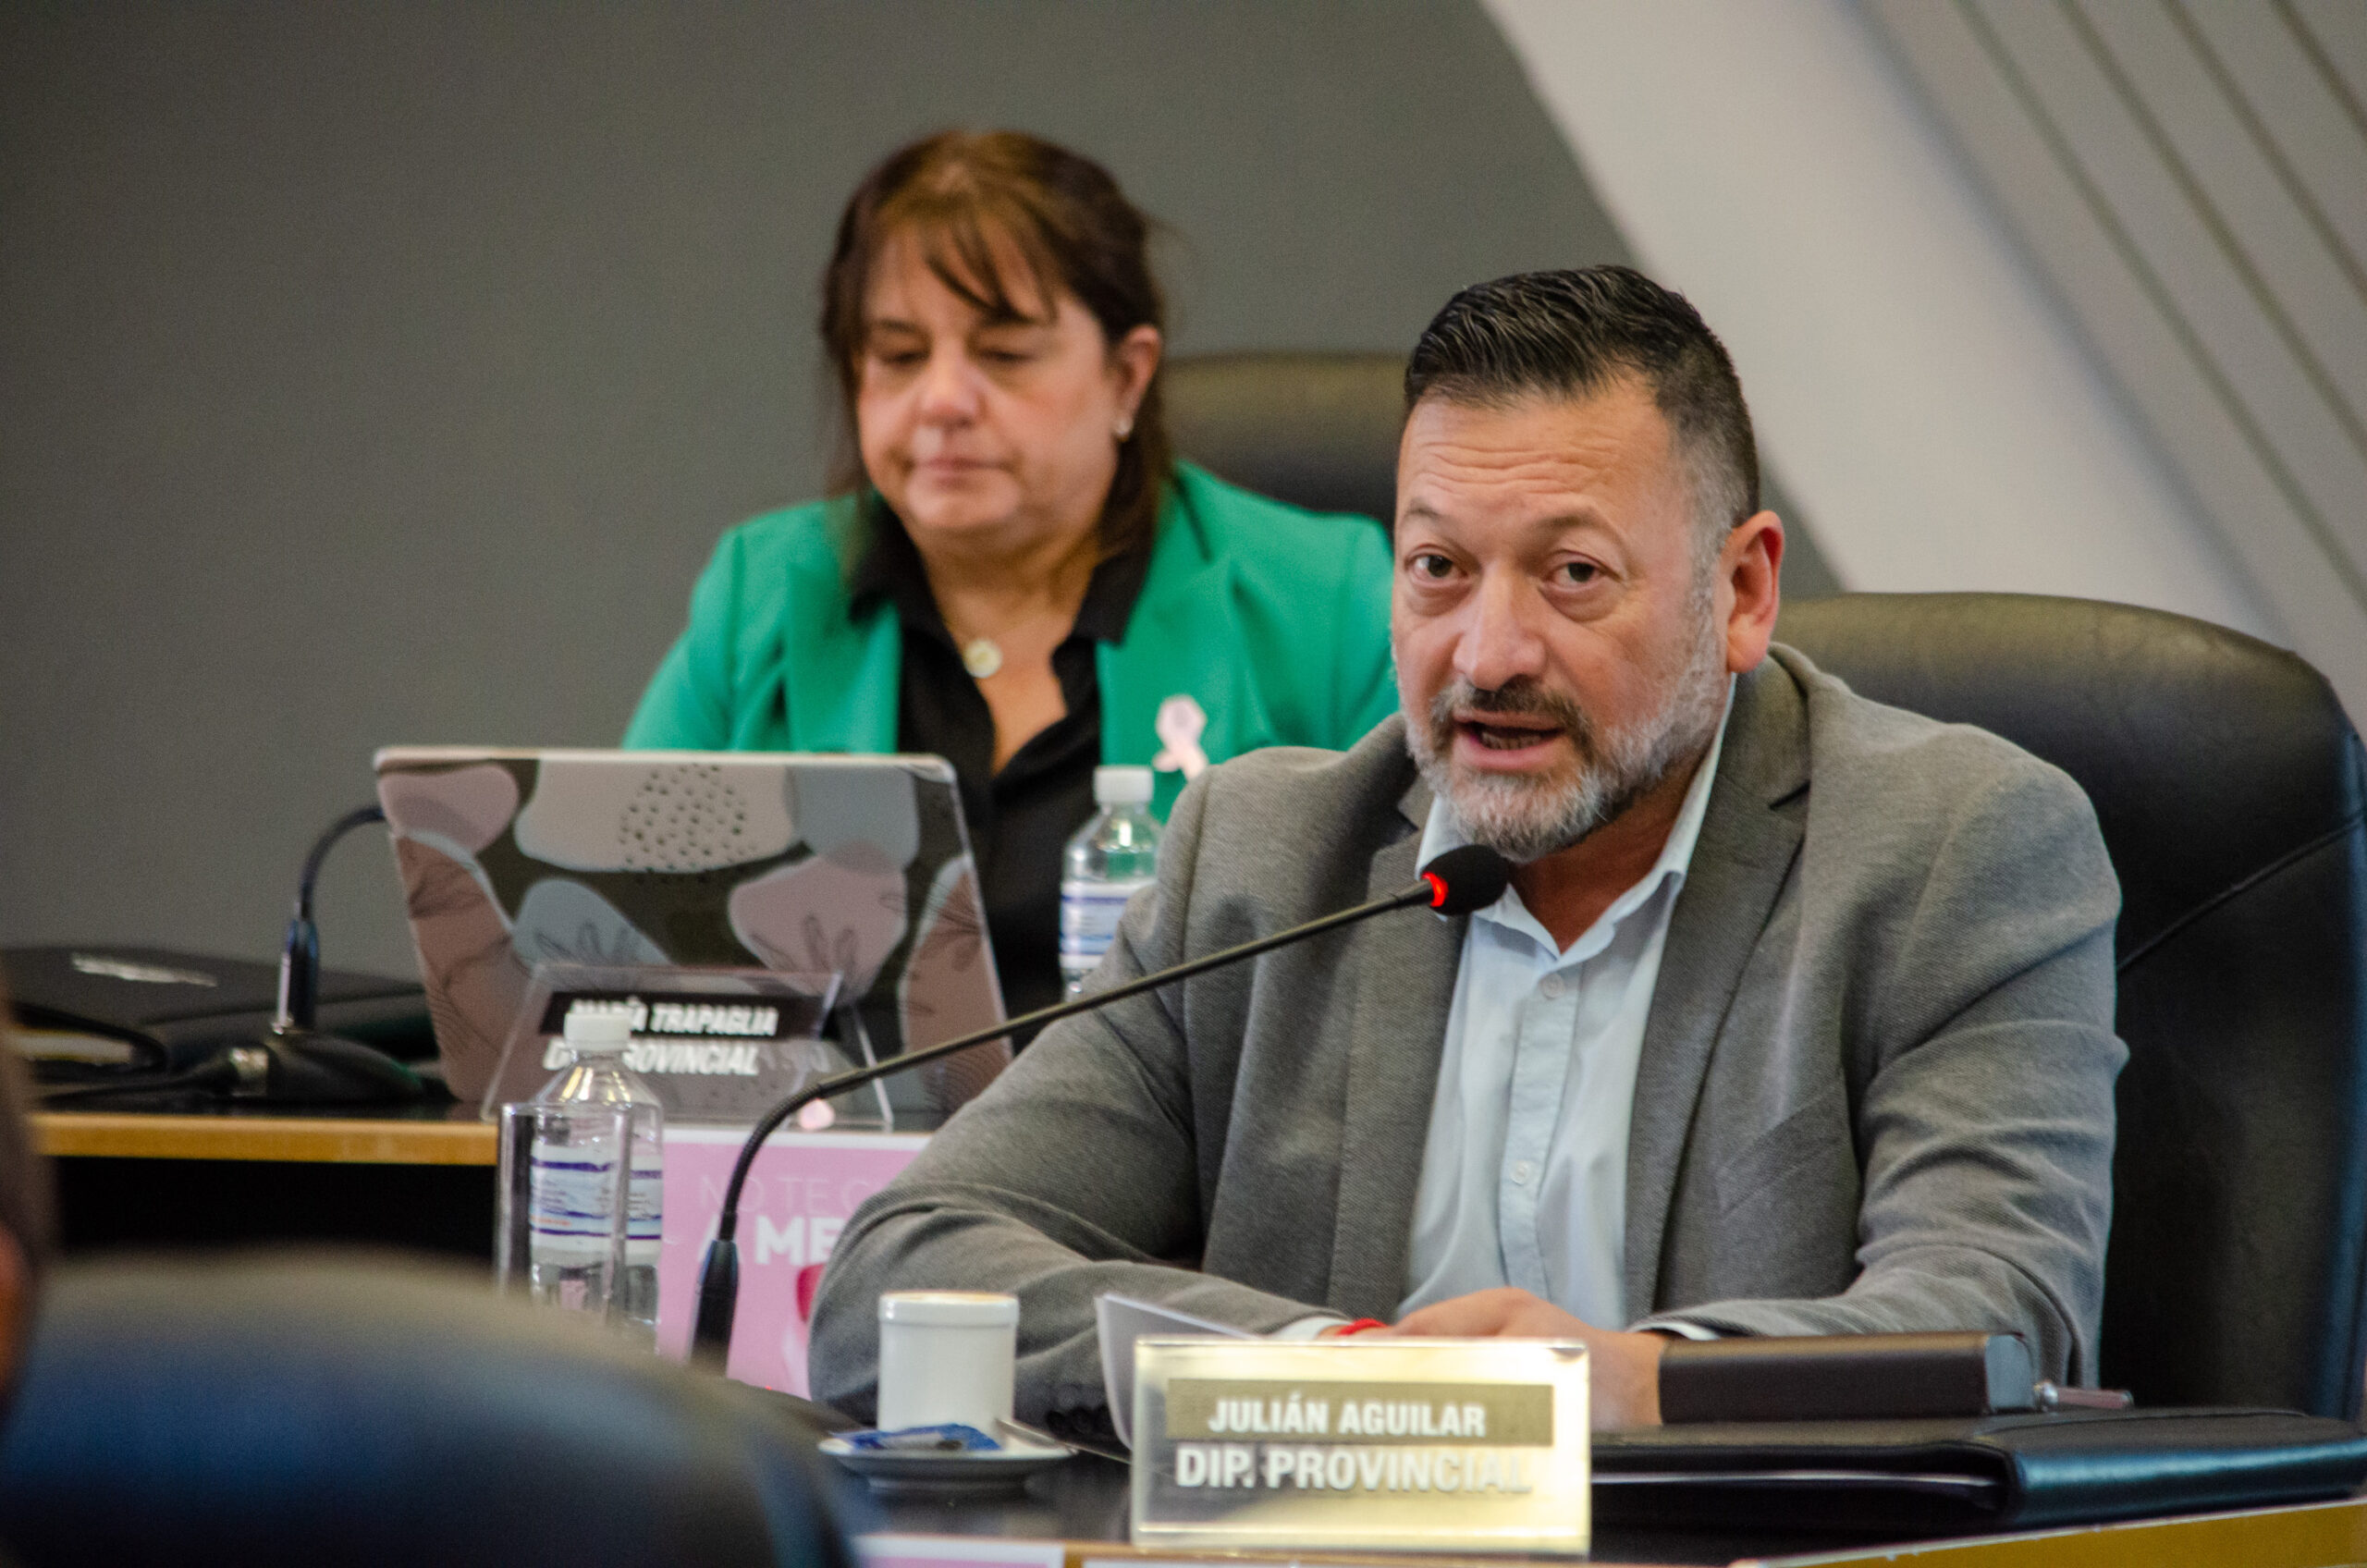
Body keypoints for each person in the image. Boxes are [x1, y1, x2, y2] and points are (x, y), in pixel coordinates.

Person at [807, 266, 2124, 1432]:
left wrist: (1633, 1385)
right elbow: (901, 1273)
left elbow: (1993, 1316)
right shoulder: (1259, 863)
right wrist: (1336, 1374)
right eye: (1437, 567)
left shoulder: (1954, 850)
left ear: (1742, 592)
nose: (1487, 656)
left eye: (1572, 575)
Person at [626, 131, 1397, 1023]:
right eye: (900, 356)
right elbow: (624, 932)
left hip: (1188, 1116)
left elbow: (1399, 976)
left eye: (1003, 354)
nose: (943, 401)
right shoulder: (761, 596)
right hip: (835, 1115)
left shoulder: (1326, 601)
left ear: (1127, 377)